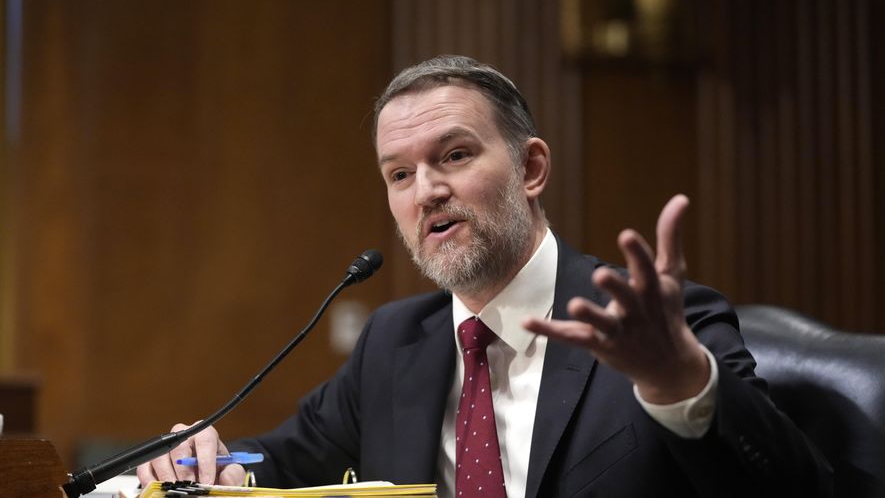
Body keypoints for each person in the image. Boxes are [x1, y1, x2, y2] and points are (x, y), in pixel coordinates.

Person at [137, 55, 832, 496]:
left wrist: (680, 384)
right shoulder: (393, 342)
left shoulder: (649, 329)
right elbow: (281, 459)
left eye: (455, 155)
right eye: (400, 174)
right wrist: (210, 458)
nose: (426, 191)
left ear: (530, 169)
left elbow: (794, 485)